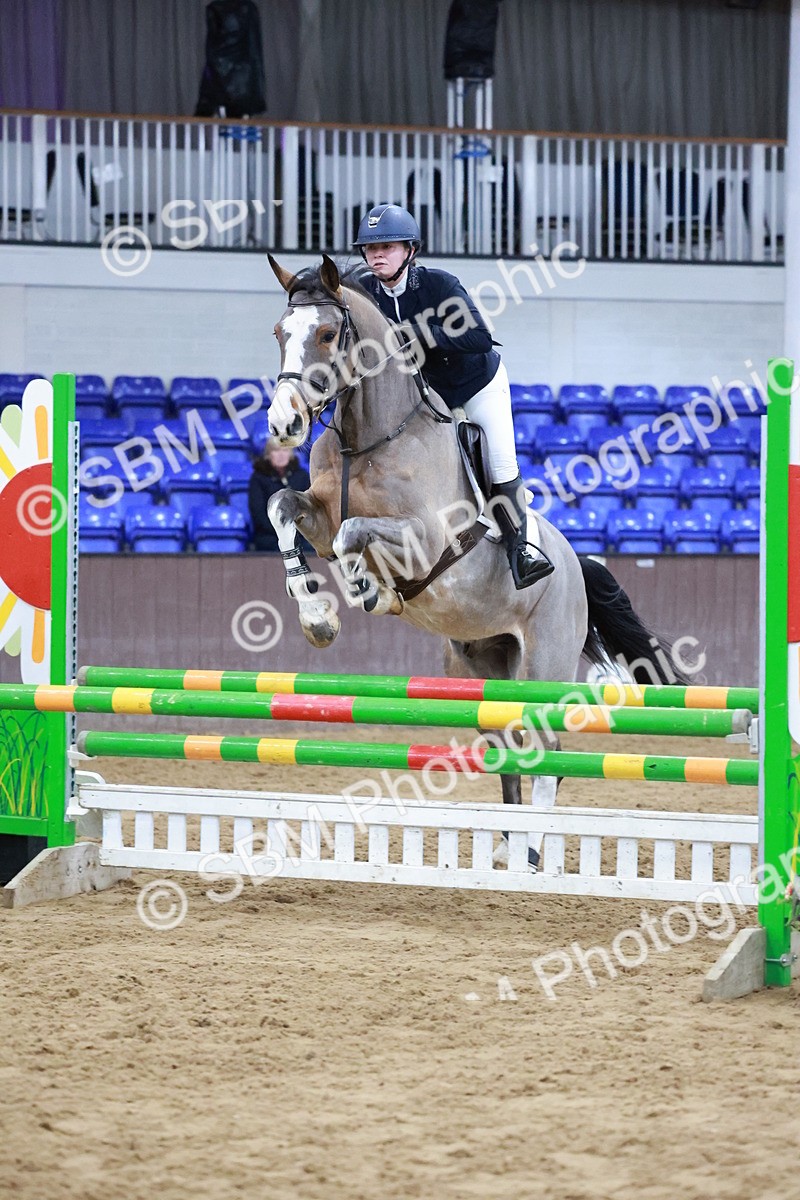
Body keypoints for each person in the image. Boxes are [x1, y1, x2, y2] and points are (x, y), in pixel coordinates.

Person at [353, 203, 553, 590]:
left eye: (387, 246)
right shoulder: (365, 292)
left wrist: (424, 333)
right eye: (370, 248)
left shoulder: (440, 285)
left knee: (501, 464)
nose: (376, 255)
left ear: (410, 250)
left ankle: (522, 552)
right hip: (428, 394)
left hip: (477, 384)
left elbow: (479, 337)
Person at [249, 442, 310, 552]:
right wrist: (282, 532)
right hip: (269, 535)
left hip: (299, 534)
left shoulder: (302, 476)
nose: (281, 454)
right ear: (268, 455)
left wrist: (295, 531)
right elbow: (258, 513)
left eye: (285, 450)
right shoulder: (258, 478)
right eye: (276, 451)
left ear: (290, 454)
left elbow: (308, 509)